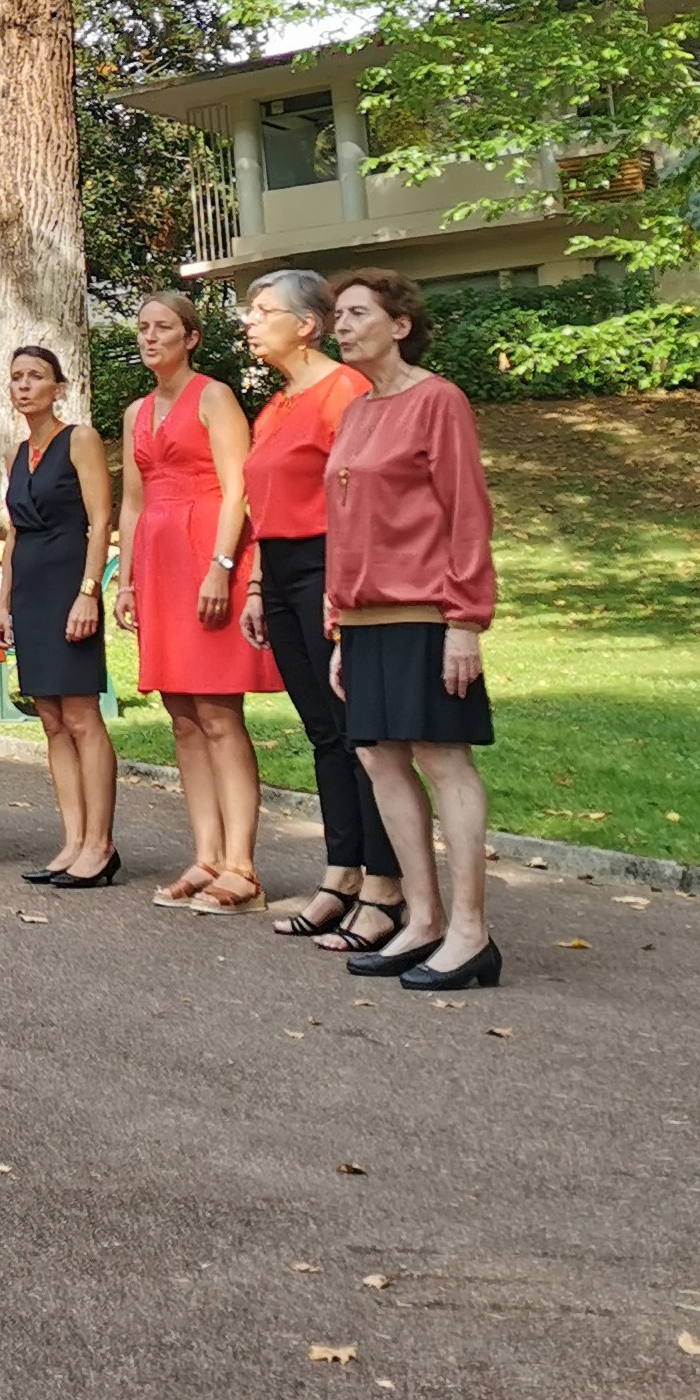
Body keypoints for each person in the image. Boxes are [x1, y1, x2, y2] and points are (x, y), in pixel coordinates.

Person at [324, 269, 502, 990]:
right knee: (379, 758)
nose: (340, 326)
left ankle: (471, 931)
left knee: (441, 756)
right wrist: (338, 621)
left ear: (399, 325)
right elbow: (342, 526)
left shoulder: (438, 402)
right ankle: (422, 920)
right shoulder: (358, 412)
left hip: (428, 611)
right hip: (364, 618)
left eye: (357, 313)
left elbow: (467, 512)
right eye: (336, 314)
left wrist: (465, 620)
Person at [238, 267, 403, 947]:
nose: (248, 322)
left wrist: (342, 586)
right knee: (322, 731)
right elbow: (260, 505)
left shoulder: (346, 391)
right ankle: (341, 872)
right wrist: (253, 583)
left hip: (328, 566)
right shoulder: (275, 406)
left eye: (261, 310)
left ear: (306, 325)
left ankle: (387, 887)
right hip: (279, 569)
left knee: (359, 730)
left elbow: (360, 498)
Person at [118, 288, 275, 911]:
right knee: (181, 716)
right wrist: (125, 579)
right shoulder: (134, 412)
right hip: (157, 564)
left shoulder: (214, 396)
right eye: (142, 328)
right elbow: (132, 501)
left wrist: (222, 565)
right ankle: (206, 856)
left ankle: (243, 866)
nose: (149, 337)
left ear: (191, 337)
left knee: (217, 713)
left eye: (163, 327)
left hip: (207, 555)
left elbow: (240, 485)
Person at [0, 346, 119, 887]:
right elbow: (15, 529)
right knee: (49, 718)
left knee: (81, 715)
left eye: (36, 377)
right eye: (17, 377)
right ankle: (71, 839)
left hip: (70, 577)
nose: (25, 386)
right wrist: (3, 601)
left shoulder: (79, 439)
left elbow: (100, 516)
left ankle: (101, 843)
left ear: (58, 387)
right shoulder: (17, 453)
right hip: (30, 587)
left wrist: (89, 590)